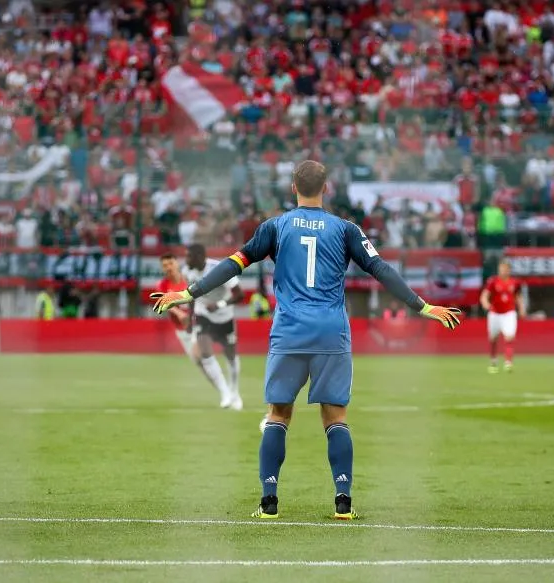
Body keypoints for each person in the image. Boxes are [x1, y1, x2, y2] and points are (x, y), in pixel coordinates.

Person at [151, 160, 462, 520]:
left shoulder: (275, 227)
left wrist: (188, 293)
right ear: (326, 188)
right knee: (336, 416)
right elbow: (381, 269)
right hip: (331, 332)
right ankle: (342, 500)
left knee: (278, 414)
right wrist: (421, 306)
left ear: (293, 188)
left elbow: (233, 265)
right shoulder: (346, 229)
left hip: (290, 332)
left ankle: (269, 502)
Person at [183, 244, 245, 411]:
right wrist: (190, 319)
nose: (186, 260)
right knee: (204, 352)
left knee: (231, 356)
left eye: (189, 256)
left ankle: (234, 392)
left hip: (224, 317)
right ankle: (224, 393)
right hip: (203, 315)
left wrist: (219, 304)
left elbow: (240, 295)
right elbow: (191, 296)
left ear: (199, 257)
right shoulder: (188, 272)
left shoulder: (220, 269)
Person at [480, 259, 526, 373]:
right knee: (493, 339)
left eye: (506, 269)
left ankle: (508, 363)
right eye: (502, 268)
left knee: (509, 337)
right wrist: (485, 303)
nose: (504, 271)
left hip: (509, 313)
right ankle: (493, 362)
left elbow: (518, 296)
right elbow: (485, 295)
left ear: (509, 270)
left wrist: (522, 308)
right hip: (495, 313)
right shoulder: (493, 282)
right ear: (499, 269)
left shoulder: (515, 283)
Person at [155, 253, 197, 360]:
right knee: (196, 360)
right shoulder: (162, 285)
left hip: (198, 324)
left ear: (177, 264)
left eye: (171, 263)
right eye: (165, 265)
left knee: (202, 356)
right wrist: (180, 314)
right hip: (182, 329)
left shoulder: (189, 279)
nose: (168, 267)